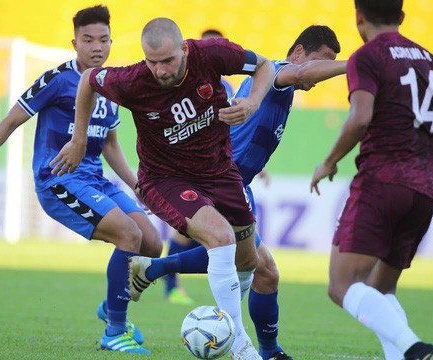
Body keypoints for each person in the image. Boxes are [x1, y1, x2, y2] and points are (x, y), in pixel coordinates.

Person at [52, 17, 275, 360]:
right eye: (152, 62)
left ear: (184, 48)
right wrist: (78, 139)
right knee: (220, 238)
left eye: (168, 61)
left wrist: (254, 101)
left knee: (249, 261)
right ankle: (240, 345)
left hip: (219, 170)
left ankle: (152, 270)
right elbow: (88, 81)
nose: (160, 70)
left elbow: (265, 66)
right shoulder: (133, 80)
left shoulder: (213, 54)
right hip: (164, 179)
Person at [0, 5, 162, 354]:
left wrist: (139, 186)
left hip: (96, 179)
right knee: (129, 234)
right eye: (88, 40)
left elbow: (110, 143)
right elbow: (9, 122)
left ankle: (112, 305)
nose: (97, 46)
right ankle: (115, 330)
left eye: (104, 40)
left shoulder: (111, 83)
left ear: (112, 42)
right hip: (59, 181)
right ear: (74, 42)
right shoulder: (56, 80)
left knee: (152, 244)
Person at [127, 25, 347, 360]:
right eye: (322, 62)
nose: (319, 77)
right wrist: (356, 65)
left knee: (259, 269)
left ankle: (156, 271)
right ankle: (246, 345)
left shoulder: (279, 89)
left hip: (234, 182)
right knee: (253, 264)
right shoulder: (277, 72)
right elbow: (302, 72)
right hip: (216, 183)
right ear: (299, 52)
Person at [309, 1, 433, 360]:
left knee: (341, 286)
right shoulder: (431, 60)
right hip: (426, 189)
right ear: (402, 17)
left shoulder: (367, 56)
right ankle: (406, 353)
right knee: (381, 290)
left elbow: (360, 116)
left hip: (382, 181)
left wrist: (329, 161)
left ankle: (414, 348)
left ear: (359, 17)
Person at [161, 27, 237, 306]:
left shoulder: (226, 88)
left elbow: (228, 130)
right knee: (187, 231)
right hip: (183, 168)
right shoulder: (178, 81)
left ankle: (161, 273)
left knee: (222, 235)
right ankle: (170, 285)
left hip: (217, 167)